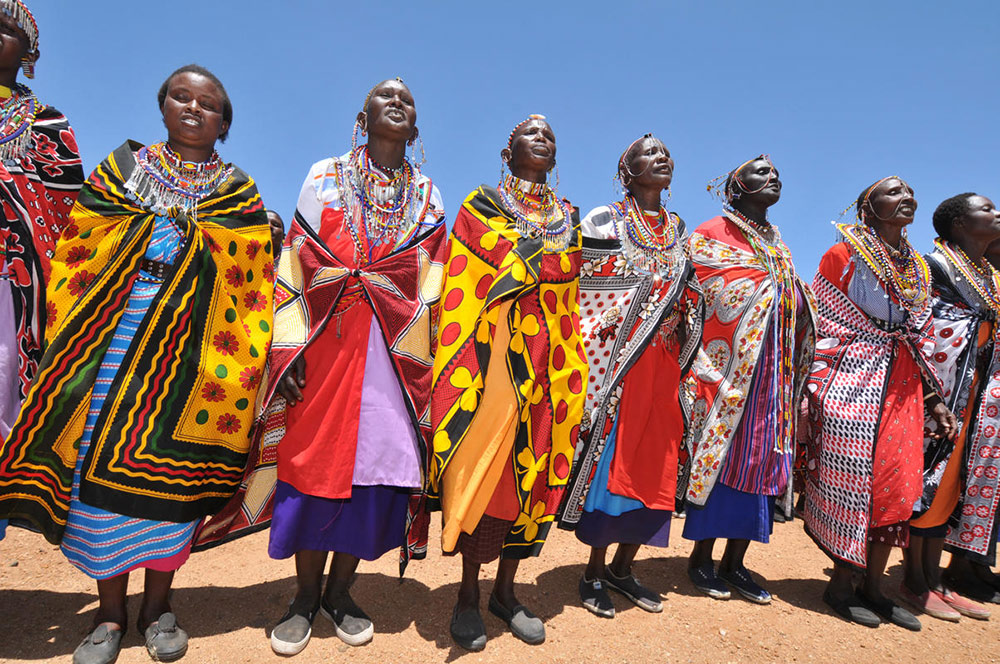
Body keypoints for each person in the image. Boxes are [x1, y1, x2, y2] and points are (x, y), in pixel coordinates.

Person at [0, 64, 273, 664]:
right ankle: (108, 617)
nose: (193, 109)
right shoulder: (120, 169)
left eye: (208, 104)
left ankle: (159, 609)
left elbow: (253, 274)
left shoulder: (237, 189)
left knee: (170, 481)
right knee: (99, 474)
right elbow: (79, 243)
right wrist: (151, 232)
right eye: (182, 97)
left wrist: (200, 239)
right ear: (163, 105)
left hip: (194, 357)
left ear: (224, 123)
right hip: (115, 336)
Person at [197, 78, 447, 656]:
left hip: (390, 356)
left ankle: (341, 592)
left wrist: (420, 361)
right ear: (362, 117)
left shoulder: (431, 194)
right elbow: (294, 262)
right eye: (385, 96)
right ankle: (304, 598)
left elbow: (431, 285)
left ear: (416, 126)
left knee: (372, 475)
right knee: (313, 471)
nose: (398, 102)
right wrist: (288, 351)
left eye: (408, 100)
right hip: (325, 347)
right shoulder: (325, 174)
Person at [429, 115, 586, 650]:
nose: (542, 137)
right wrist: (524, 264)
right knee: (489, 469)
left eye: (551, 135)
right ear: (507, 149)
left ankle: (506, 591)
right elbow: (462, 276)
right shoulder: (482, 205)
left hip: (550, 361)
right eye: (530, 132)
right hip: (492, 355)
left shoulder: (569, 217)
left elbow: (570, 292)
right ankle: (467, 596)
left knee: (533, 472)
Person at [803, 176, 957, 631]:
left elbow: (921, 337)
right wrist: (824, 388)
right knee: (854, 485)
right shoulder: (842, 255)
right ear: (866, 209)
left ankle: (874, 586)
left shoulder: (921, 270)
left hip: (904, 387)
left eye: (909, 192)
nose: (906, 197)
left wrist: (933, 399)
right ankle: (840, 584)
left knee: (897, 485)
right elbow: (825, 322)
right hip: (851, 383)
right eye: (892, 192)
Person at [558, 134, 701, 618]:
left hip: (662, 365)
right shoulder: (606, 219)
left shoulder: (679, 227)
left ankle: (624, 568)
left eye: (665, 152)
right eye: (648, 153)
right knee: (611, 465)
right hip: (617, 365)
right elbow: (587, 281)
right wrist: (646, 296)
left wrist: (678, 300)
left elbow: (689, 286)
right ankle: (593, 572)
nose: (660, 157)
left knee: (654, 466)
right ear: (627, 171)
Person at [684, 155, 815, 605]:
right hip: (730, 373)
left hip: (772, 376)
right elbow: (709, 288)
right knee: (724, 460)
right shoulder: (711, 233)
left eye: (777, 172)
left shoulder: (777, 241)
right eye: (760, 172)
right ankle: (701, 560)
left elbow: (789, 296)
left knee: (761, 463)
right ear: (735, 188)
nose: (773, 176)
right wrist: (766, 289)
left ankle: (735, 563)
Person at [903, 193, 1000, 620]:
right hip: (938, 390)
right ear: (959, 224)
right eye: (987, 209)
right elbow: (922, 323)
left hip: (975, 391)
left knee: (953, 483)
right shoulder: (934, 266)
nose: (996, 214)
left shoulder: (987, 276)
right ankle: (913, 580)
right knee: (927, 479)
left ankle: (937, 577)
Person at [0, 0, 83, 439]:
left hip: (14, 284)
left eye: (7, 30)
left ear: (28, 55)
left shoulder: (47, 124)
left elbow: (65, 214)